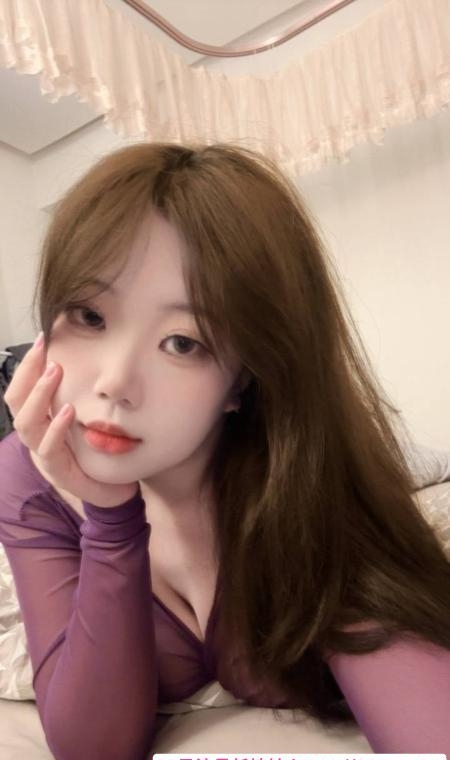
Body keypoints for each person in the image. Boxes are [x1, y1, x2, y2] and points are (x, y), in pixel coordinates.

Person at [0, 142, 449, 760]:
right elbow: (93, 749)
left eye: (183, 342)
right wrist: (108, 519)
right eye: (89, 316)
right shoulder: (25, 473)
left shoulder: (302, 479)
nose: (115, 382)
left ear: (245, 379)